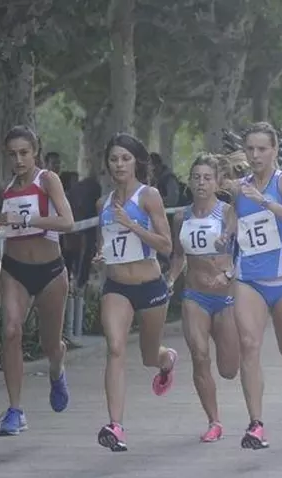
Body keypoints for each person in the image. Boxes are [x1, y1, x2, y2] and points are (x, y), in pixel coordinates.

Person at [218, 122, 282, 450]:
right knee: (249, 345)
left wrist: (267, 202)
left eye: (262, 149)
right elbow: (237, 217)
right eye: (250, 149)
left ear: (273, 151)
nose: (255, 155)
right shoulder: (240, 187)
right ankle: (256, 424)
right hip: (249, 280)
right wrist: (226, 233)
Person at [0, 126, 75, 436]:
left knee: (51, 344)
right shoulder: (6, 186)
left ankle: (57, 369)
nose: (19, 160)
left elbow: (67, 221)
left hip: (50, 271)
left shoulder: (47, 179)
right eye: (12, 154)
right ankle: (15, 410)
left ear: (35, 152)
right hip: (14, 269)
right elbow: (5, 221)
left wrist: (26, 219)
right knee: (11, 331)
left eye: (24, 153)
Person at [95, 133, 176, 452]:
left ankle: (166, 360)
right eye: (114, 159)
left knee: (148, 356)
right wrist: (100, 255)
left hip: (149, 285)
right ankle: (115, 426)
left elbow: (166, 245)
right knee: (115, 348)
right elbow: (106, 243)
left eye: (125, 158)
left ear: (136, 162)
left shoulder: (149, 196)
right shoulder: (102, 204)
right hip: (116, 287)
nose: (119, 164)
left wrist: (132, 225)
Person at [167, 154, 240, 443]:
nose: (201, 183)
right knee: (199, 356)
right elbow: (178, 256)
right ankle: (214, 421)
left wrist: (229, 274)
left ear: (217, 182)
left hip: (225, 298)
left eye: (207, 178)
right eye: (196, 177)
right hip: (194, 295)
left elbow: (244, 251)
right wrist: (170, 279)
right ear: (189, 181)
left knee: (229, 370)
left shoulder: (228, 213)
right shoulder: (181, 217)